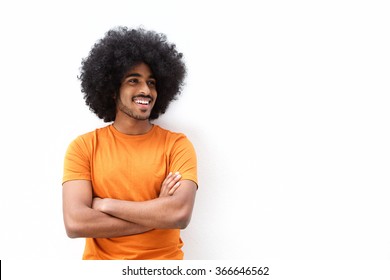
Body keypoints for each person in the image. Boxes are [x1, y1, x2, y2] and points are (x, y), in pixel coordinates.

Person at [62, 26, 198, 260]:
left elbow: (179, 214)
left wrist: (107, 205)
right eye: (133, 80)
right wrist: (156, 212)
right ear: (113, 90)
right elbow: (75, 222)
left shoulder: (177, 145)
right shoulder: (83, 147)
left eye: (152, 82)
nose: (146, 90)